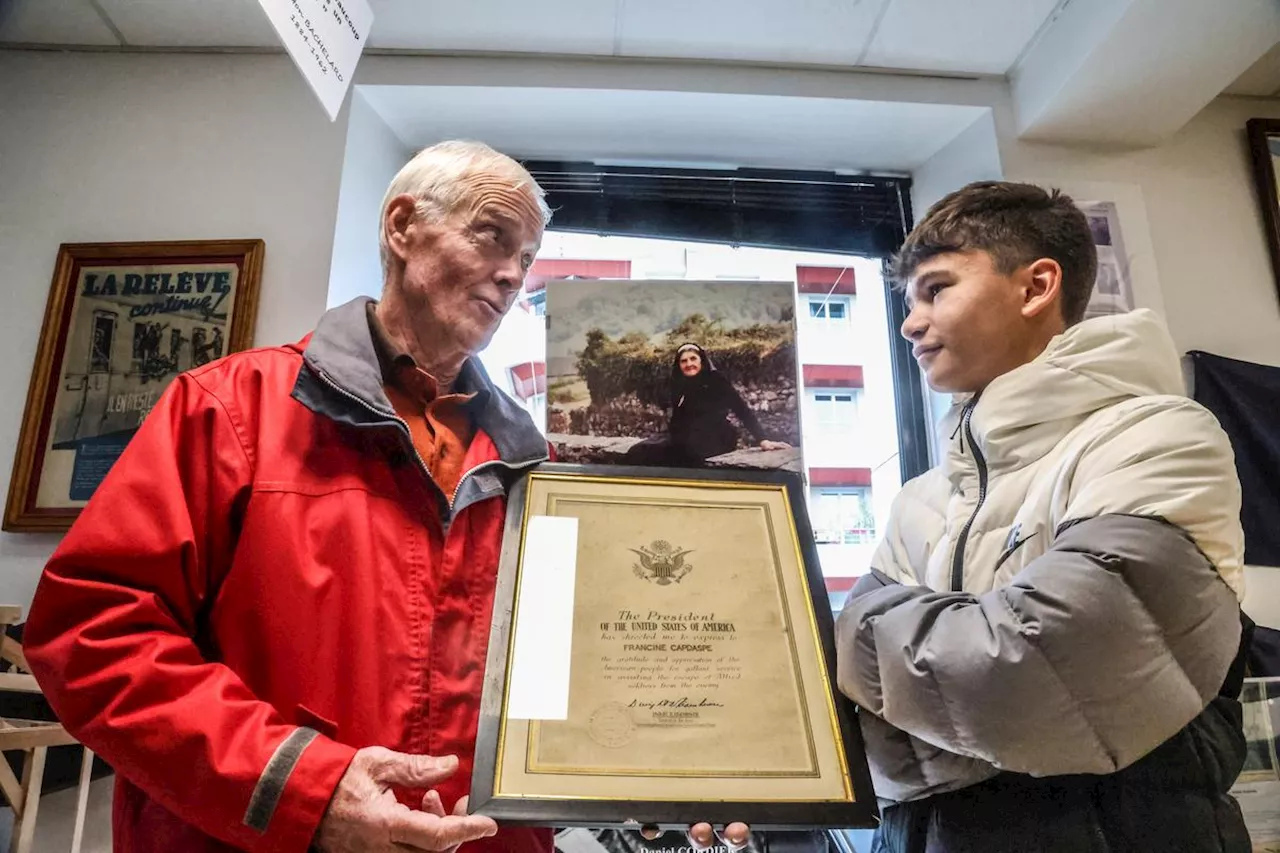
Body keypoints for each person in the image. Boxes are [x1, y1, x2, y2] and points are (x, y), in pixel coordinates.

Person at [23, 141, 556, 853]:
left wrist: (679, 781)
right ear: (401, 227)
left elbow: (568, 677)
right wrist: (298, 784)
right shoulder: (228, 409)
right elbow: (93, 636)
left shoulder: (539, 467)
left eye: (526, 256)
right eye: (494, 236)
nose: (513, 273)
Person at [835, 181, 1251, 852]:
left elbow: (1033, 675)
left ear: (1035, 287)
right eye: (907, 301)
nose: (910, 322)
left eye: (936, 289)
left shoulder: (1158, 435)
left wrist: (853, 629)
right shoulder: (922, 497)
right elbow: (850, 716)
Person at [625, 342, 789, 466]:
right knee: (637, 451)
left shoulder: (716, 380)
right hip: (686, 437)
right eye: (684, 361)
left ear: (701, 360)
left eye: (693, 359)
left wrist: (763, 439)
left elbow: (742, 410)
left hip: (715, 437)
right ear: (679, 365)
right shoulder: (679, 384)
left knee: (680, 455)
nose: (689, 364)